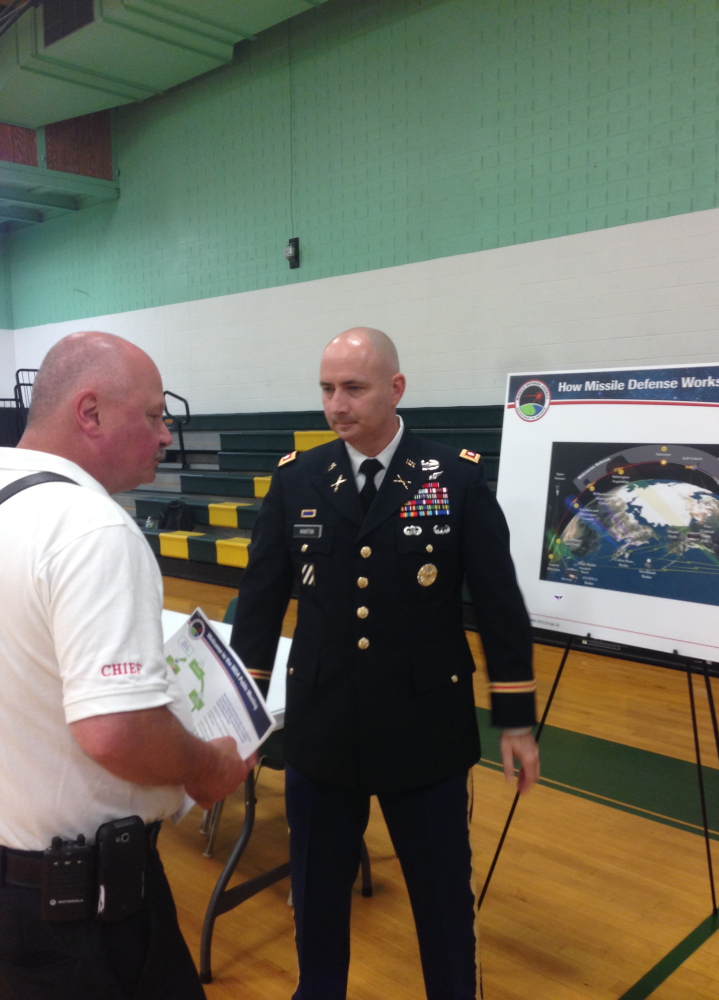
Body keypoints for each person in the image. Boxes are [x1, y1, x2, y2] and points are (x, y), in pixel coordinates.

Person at [231, 327, 539, 1000]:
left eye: (353, 388)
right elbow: (257, 606)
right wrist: (242, 719)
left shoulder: (452, 479)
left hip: (425, 732)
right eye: (326, 388)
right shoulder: (298, 481)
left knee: (442, 907)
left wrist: (515, 719)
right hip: (322, 731)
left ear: (396, 389)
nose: (336, 405)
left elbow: (498, 603)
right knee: (315, 905)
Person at [0, 331, 253, 1000]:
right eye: (153, 414)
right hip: (78, 914)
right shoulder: (92, 529)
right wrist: (207, 768)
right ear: (90, 413)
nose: (166, 435)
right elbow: (114, 730)